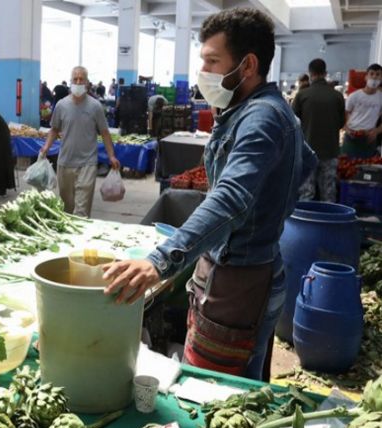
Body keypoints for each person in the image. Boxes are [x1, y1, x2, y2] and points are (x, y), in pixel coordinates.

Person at [101, 8, 317, 382]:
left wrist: (160, 262)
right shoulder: (253, 110)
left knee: (213, 390)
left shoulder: (261, 118)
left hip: (239, 280)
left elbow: (231, 197)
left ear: (247, 65)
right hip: (247, 266)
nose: (204, 71)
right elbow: (305, 163)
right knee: (243, 381)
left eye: (213, 61)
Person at [40, 66, 121, 217]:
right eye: (75, 79)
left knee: (81, 211)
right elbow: (54, 130)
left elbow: (104, 132)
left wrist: (111, 155)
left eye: (81, 79)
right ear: (70, 82)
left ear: (87, 82)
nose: (78, 82)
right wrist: (45, 148)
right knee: (67, 209)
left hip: (87, 164)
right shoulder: (61, 105)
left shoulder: (95, 106)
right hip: (65, 163)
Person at [293, 59, 345, 202]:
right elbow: (341, 123)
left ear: (310, 74)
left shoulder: (302, 96)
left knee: (306, 194)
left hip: (307, 151)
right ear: (325, 73)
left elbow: (292, 124)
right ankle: (328, 223)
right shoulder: (337, 96)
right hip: (330, 151)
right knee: (328, 193)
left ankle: (305, 224)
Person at [343, 64, 382, 158]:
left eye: (378, 74)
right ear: (366, 77)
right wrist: (346, 128)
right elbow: (343, 114)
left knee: (367, 169)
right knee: (347, 168)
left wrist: (377, 131)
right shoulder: (354, 96)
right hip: (351, 135)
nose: (374, 77)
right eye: (371, 74)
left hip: (369, 137)